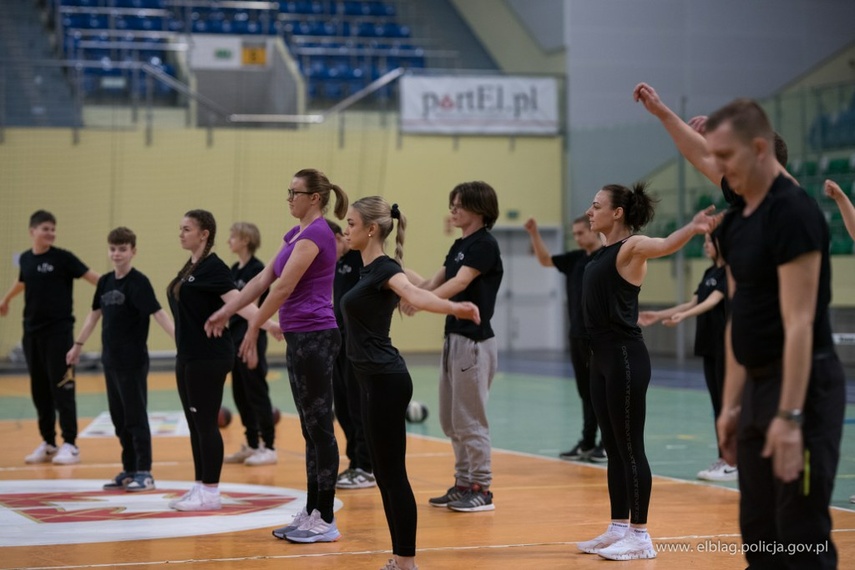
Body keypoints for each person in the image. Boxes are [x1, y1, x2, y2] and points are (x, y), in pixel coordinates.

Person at [706, 100, 845, 569]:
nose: (719, 169)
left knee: (800, 534)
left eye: (725, 156)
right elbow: (738, 318)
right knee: (760, 533)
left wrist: (790, 415)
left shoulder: (794, 214)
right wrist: (729, 406)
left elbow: (801, 321)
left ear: (760, 148)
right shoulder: (738, 225)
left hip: (802, 388)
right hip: (757, 389)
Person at [206, 168, 348, 543]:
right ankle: (313, 510)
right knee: (308, 428)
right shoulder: (295, 234)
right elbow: (262, 280)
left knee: (320, 427)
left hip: (316, 335)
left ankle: (326, 517)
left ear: (314, 198)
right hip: (300, 337)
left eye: (294, 192)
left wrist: (254, 326)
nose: (289, 198)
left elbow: (285, 286)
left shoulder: (318, 233)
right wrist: (228, 311)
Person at [577, 182, 717, 561]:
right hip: (600, 359)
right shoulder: (600, 252)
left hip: (624, 357)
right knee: (612, 448)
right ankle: (618, 526)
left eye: (596, 205)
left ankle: (640, 535)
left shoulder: (631, 247)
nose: (590, 212)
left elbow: (666, 244)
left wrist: (691, 228)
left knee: (630, 447)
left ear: (617, 212)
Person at [342, 196, 480, 570]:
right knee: (384, 475)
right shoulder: (365, 268)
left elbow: (416, 295)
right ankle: (400, 559)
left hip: (386, 380)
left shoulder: (386, 268)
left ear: (371, 229)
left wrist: (456, 307)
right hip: (369, 379)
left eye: (351, 223)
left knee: (392, 474)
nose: (346, 229)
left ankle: (407, 562)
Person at [166, 210, 281, 512]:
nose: (181, 233)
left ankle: (211, 492)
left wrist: (268, 325)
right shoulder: (191, 266)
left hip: (209, 357)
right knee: (195, 425)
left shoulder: (213, 268)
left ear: (204, 234)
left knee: (205, 425)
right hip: (187, 356)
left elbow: (240, 302)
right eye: (180, 228)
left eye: (186, 228)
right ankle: (199, 486)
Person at [404, 181, 503, 513]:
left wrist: (423, 303)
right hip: (454, 339)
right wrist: (406, 287)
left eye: (458, 204)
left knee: (470, 419)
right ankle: (463, 483)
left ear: (478, 208)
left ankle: (482, 488)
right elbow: (434, 281)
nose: (453, 210)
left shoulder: (484, 246)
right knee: (451, 419)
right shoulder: (460, 245)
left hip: (474, 342)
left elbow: (459, 283)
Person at [66, 227, 175, 491]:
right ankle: (128, 469)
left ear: (133, 251)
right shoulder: (104, 282)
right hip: (110, 360)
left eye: (122, 249)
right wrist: (77, 345)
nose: (117, 254)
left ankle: (144, 472)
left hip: (133, 361)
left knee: (135, 415)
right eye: (113, 249)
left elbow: (158, 313)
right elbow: (93, 316)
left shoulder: (139, 282)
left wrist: (180, 341)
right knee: (119, 417)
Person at [0, 210, 99, 465]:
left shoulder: (63, 258)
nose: (51, 233)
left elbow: (94, 278)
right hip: (32, 335)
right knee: (40, 390)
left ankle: (70, 444)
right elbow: (22, 281)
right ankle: (48, 443)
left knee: (63, 389)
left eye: (53, 229)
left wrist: (117, 289)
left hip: (59, 335)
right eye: (46, 228)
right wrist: (6, 299)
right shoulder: (25, 259)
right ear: (32, 231)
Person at [638, 231, 733, 481]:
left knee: (727, 405)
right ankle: (724, 458)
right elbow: (692, 303)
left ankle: (733, 461)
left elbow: (713, 301)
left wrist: (684, 317)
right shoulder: (708, 273)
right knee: (717, 405)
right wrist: (658, 315)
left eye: (709, 242)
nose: (705, 246)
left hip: (726, 347)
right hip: (708, 346)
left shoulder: (729, 272)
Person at [524, 215, 606, 463]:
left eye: (581, 233)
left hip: (599, 337)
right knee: (585, 392)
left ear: (594, 231)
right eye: (575, 234)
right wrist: (534, 234)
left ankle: (607, 443)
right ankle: (588, 441)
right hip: (577, 335)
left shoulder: (607, 258)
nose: (578, 238)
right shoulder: (575, 260)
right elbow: (545, 260)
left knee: (601, 392)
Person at [222, 222, 278, 467]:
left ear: (245, 240)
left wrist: (252, 341)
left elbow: (253, 309)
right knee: (240, 394)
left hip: (251, 337)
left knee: (256, 391)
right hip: (234, 338)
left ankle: (269, 446)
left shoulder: (257, 269)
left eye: (232, 236)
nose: (229, 241)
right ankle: (253, 444)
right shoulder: (234, 269)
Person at [327, 219, 375, 490]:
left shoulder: (361, 258)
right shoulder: (335, 265)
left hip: (358, 344)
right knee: (343, 407)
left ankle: (366, 467)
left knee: (358, 406)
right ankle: (354, 462)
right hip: (338, 343)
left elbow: (398, 272)